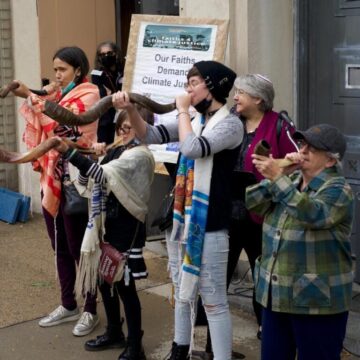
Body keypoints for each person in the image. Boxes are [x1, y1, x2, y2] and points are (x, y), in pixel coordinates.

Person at [112, 60, 243, 360]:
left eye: (193, 83)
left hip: (211, 224)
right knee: (181, 294)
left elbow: (193, 148)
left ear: (213, 87)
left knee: (213, 302)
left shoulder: (230, 124)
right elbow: (150, 135)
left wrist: (183, 110)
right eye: (186, 84)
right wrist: (132, 108)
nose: (186, 90)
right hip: (182, 221)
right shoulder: (194, 119)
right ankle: (178, 350)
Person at [194, 73, 298, 359]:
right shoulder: (231, 123)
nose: (235, 97)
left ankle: (269, 336)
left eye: (241, 92)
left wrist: (272, 168)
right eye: (236, 91)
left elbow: (298, 160)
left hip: (262, 218)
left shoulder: (279, 125)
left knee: (264, 279)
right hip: (227, 215)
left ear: (259, 99)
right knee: (218, 279)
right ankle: (215, 348)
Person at [246, 124, 354, 360]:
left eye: (311, 149)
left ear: (329, 161)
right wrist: (280, 175)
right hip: (277, 295)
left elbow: (311, 214)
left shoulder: (339, 189)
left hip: (316, 300)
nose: (302, 151)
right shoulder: (292, 180)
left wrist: (277, 178)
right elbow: (253, 202)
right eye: (302, 144)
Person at [12, 46, 100, 336]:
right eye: (55, 69)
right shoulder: (56, 95)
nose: (58, 75)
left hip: (77, 181)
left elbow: (66, 126)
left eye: (63, 69)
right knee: (59, 246)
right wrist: (37, 95)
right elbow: (46, 120)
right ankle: (67, 304)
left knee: (80, 249)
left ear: (78, 69)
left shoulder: (89, 93)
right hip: (52, 178)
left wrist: (34, 97)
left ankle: (90, 310)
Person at [54, 107, 155, 360]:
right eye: (121, 127)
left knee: (124, 286)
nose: (123, 132)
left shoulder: (140, 156)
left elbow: (100, 175)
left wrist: (71, 152)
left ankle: (135, 345)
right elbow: (94, 179)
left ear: (143, 129)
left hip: (127, 229)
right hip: (106, 226)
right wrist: (99, 156)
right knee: (104, 281)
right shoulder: (119, 150)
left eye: (130, 127)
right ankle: (114, 331)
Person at [92, 41, 124, 144]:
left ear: (116, 54)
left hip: (122, 113)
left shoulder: (123, 71)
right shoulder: (96, 73)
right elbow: (102, 93)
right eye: (102, 54)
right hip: (105, 117)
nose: (106, 56)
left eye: (109, 53)